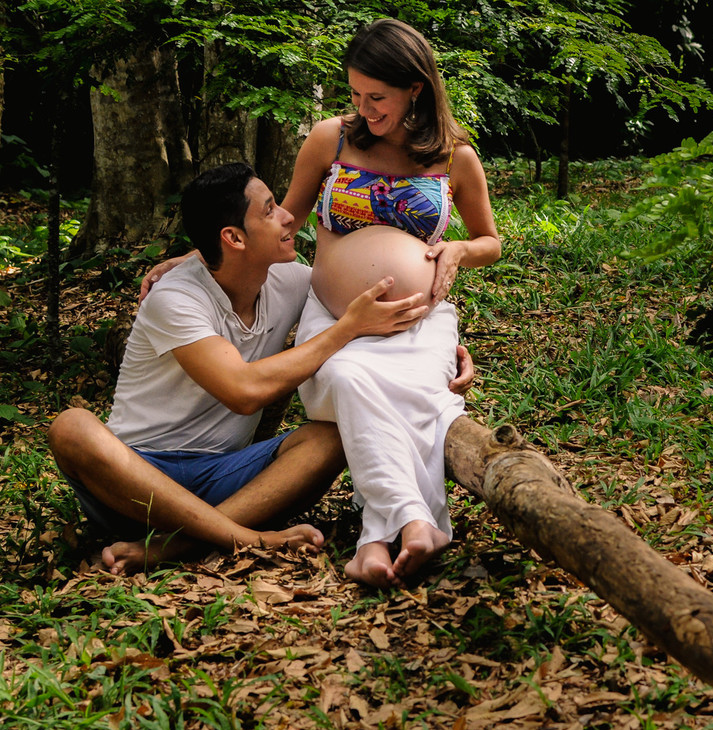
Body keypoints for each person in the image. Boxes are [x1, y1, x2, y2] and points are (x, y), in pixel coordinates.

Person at [146, 20, 502, 588]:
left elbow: (490, 241)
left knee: (411, 394)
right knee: (345, 377)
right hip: (336, 318)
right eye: (355, 93)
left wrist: (459, 248)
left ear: (415, 87)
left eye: (376, 97)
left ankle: (379, 538)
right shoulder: (331, 139)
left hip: (416, 319)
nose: (364, 108)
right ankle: (414, 520)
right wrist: (198, 254)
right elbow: (278, 220)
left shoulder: (455, 157)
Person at [49, 162, 468, 575]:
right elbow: (243, 392)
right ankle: (245, 538)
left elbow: (365, 307)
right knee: (72, 427)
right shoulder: (175, 299)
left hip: (228, 479)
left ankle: (180, 544)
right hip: (138, 485)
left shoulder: (289, 281)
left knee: (332, 433)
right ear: (233, 238)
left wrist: (441, 354)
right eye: (269, 210)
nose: (288, 216)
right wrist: (347, 328)